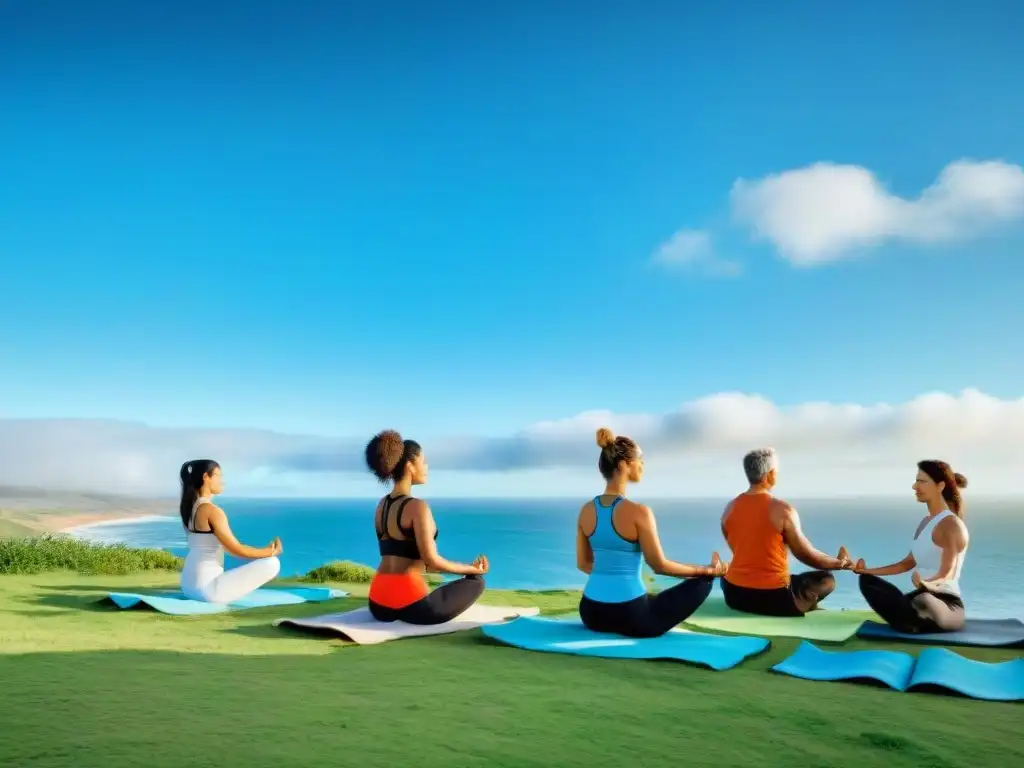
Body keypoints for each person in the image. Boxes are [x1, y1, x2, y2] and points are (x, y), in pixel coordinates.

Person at [576, 428, 727, 638]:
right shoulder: (639, 512)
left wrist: (610, 579)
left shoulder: (585, 510)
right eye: (640, 459)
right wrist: (707, 571)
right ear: (624, 465)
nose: (643, 464)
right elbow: (659, 566)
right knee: (703, 583)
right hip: (631, 616)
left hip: (591, 613)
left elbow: (583, 564)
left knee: (653, 599)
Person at [365, 430, 488, 625]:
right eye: (423, 461)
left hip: (377, 605)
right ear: (410, 466)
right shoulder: (417, 507)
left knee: (444, 585)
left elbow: (400, 554)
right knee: (477, 582)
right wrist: (472, 569)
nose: (426, 467)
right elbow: (432, 562)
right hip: (410, 606)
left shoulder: (381, 505)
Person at [720, 448, 851, 616]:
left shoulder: (729, 509)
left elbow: (737, 549)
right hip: (776, 599)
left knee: (730, 573)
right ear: (771, 474)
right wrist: (838, 564)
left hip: (735, 596)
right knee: (826, 580)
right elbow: (806, 555)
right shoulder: (782, 510)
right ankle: (806, 606)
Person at [854, 461, 970, 634]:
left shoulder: (951, 524)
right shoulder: (925, 523)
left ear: (940, 486)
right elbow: (906, 564)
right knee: (868, 583)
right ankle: (915, 619)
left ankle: (914, 618)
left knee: (924, 598)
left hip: (946, 604)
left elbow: (949, 572)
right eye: (916, 481)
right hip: (919, 599)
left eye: (922, 481)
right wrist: (867, 572)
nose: (915, 486)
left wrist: (927, 584)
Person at [178, 459, 283, 603]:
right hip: (207, 591)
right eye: (218, 476)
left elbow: (227, 548)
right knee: (273, 563)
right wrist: (270, 552)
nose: (222, 481)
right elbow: (236, 549)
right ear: (206, 477)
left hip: (188, 586)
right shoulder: (212, 511)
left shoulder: (188, 509)